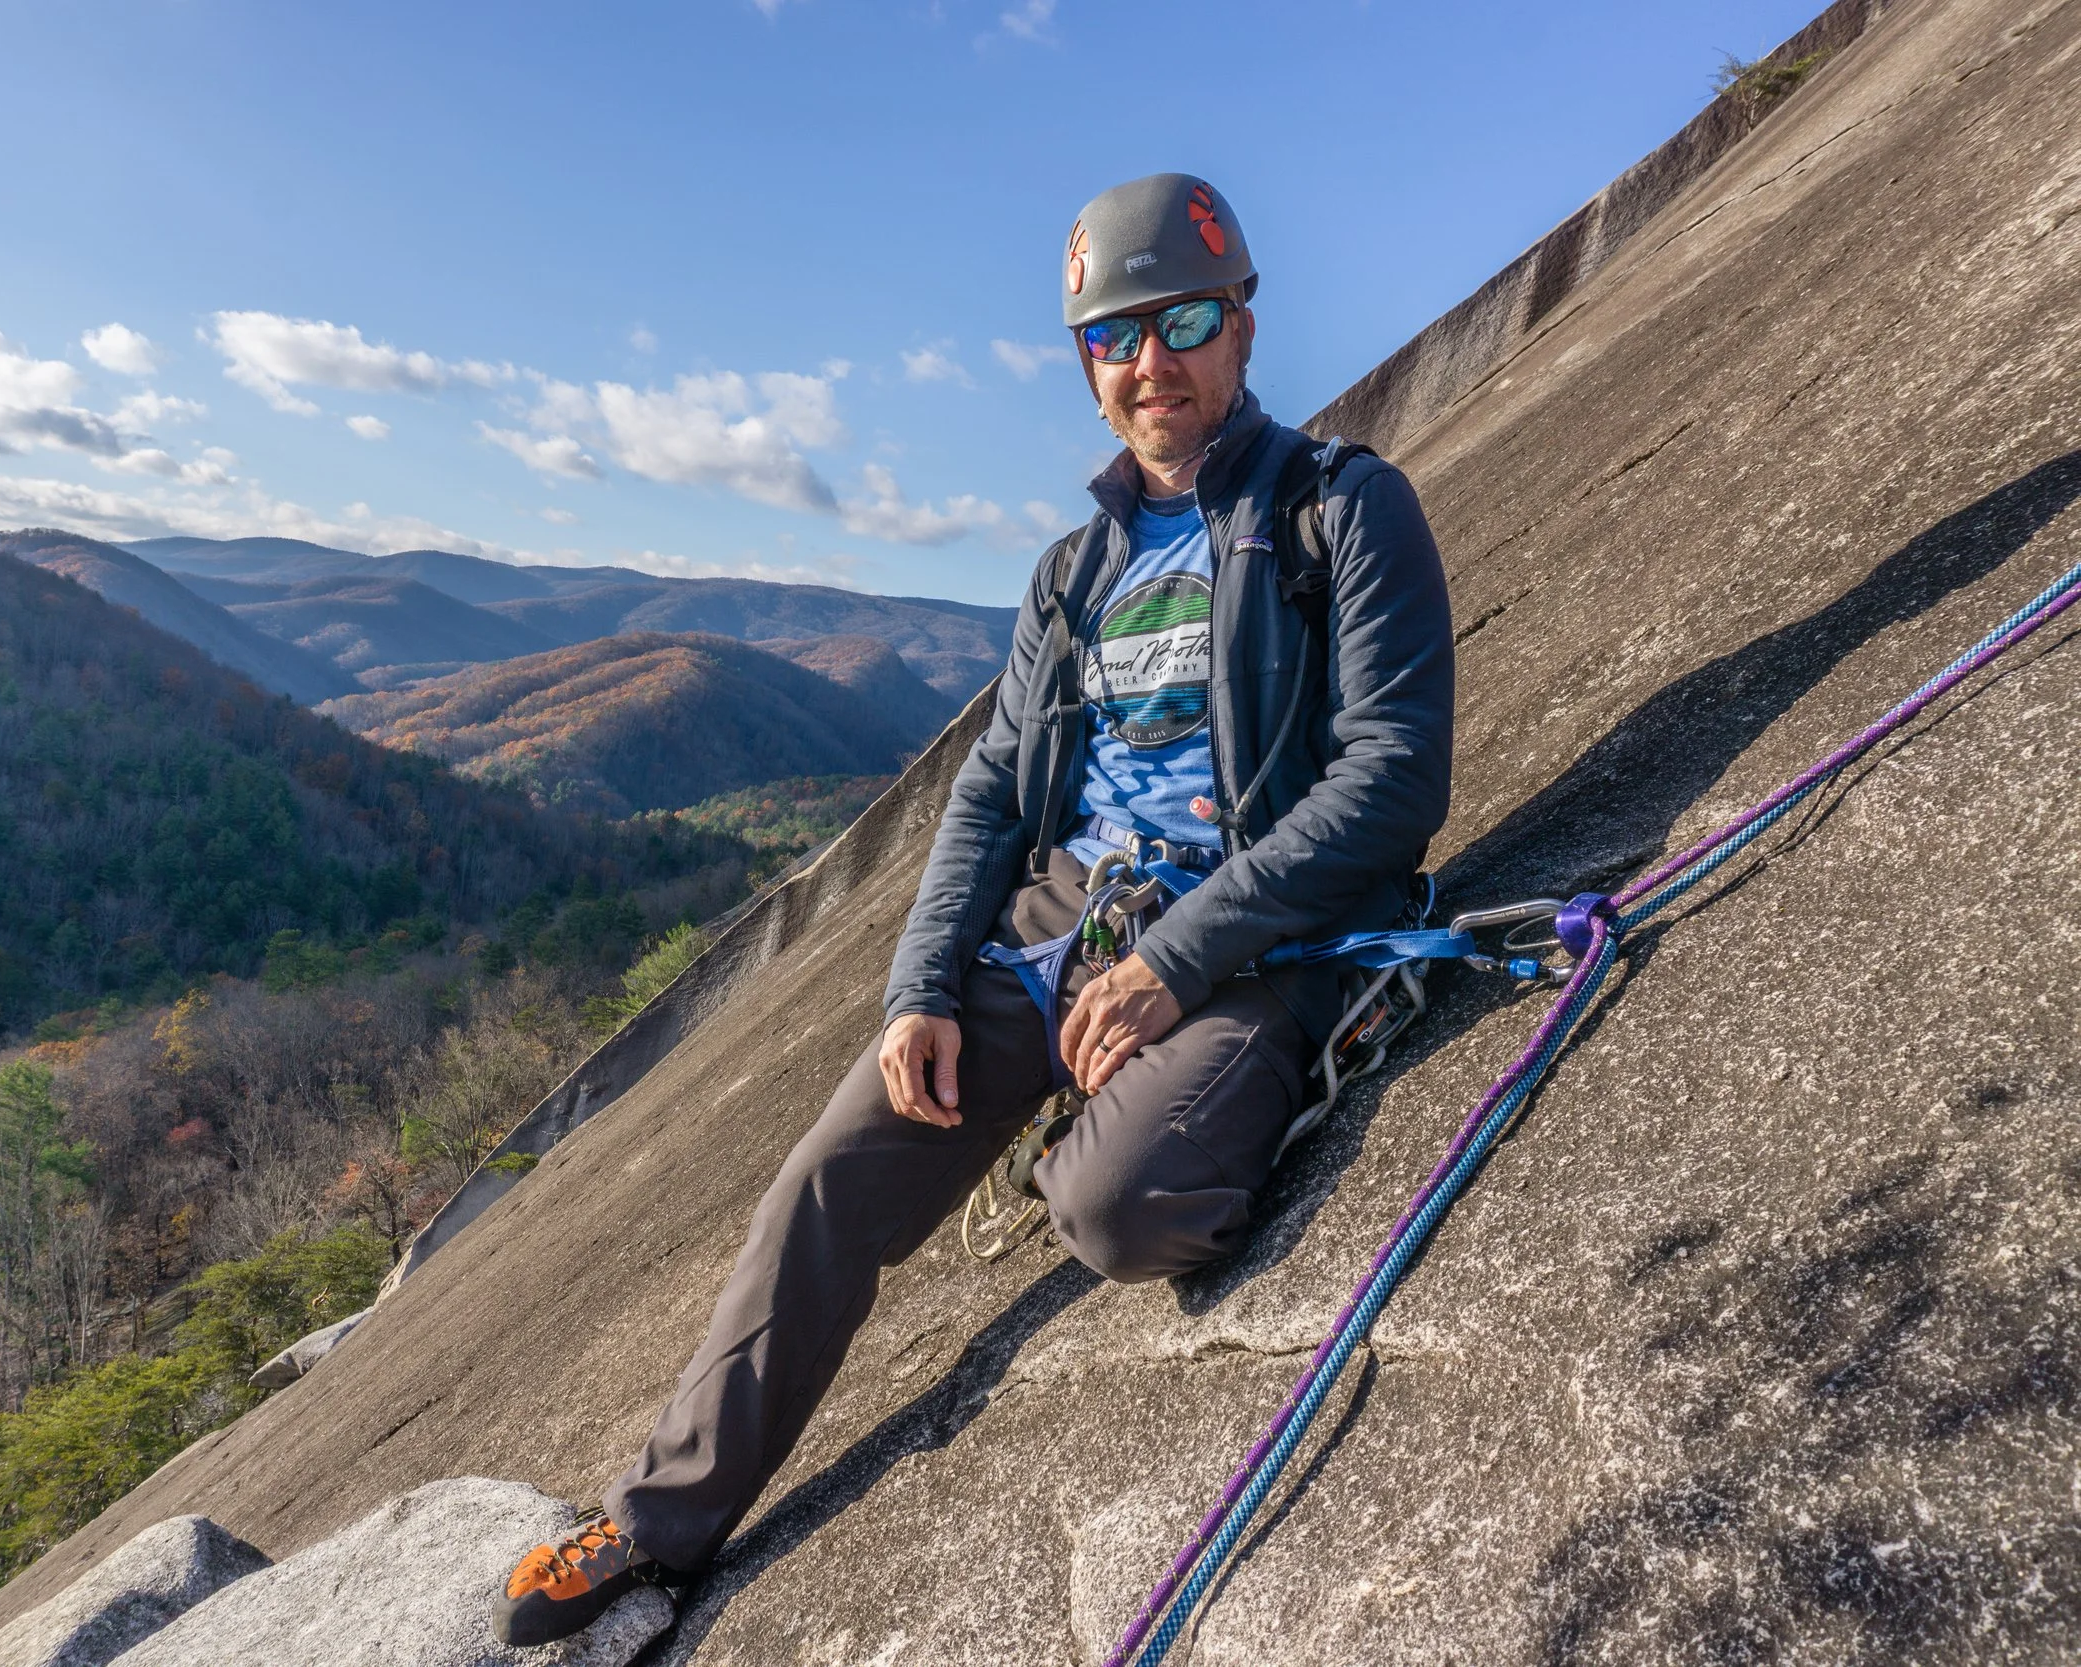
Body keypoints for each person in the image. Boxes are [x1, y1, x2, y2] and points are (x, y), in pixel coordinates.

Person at [492, 172, 1455, 1648]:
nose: (1152, 363)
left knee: (1114, 1210)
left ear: (1244, 326)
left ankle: (1295, 1057)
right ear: (1088, 364)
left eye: (1183, 321)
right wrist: (921, 987)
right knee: (832, 1174)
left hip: (1259, 926)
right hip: (1068, 923)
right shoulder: (1071, 573)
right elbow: (992, 797)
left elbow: (1395, 777)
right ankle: (656, 1523)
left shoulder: (1337, 507)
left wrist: (1185, 962)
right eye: (1115, 337)